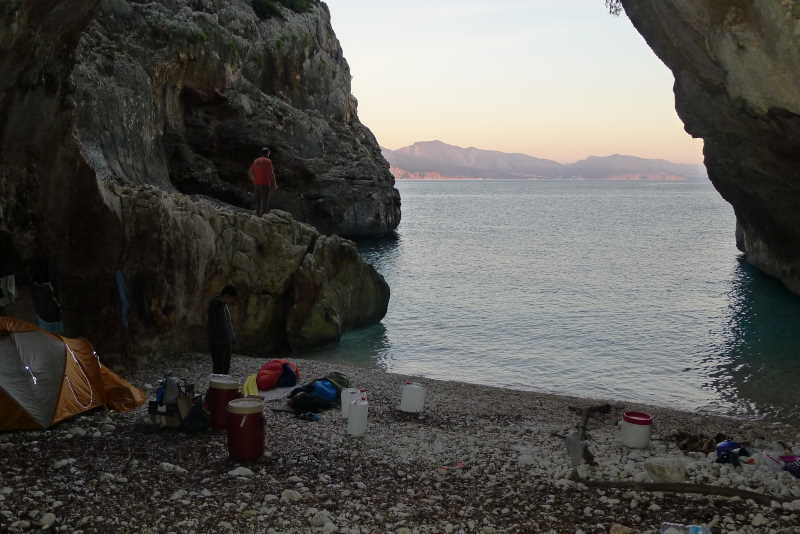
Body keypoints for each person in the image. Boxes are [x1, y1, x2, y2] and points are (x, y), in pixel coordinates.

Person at [207, 285, 238, 374]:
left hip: (226, 342)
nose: (232, 301)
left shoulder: (224, 306)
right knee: (219, 368)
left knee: (225, 368)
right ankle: (218, 387)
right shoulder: (215, 305)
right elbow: (215, 325)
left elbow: (228, 322)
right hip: (218, 342)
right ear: (227, 296)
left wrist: (232, 336)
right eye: (232, 298)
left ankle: (223, 387)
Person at [248, 147, 278, 216]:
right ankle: (263, 216)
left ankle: (257, 214)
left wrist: (254, 180)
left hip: (257, 184)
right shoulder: (268, 161)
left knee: (258, 200)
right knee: (265, 200)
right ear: (267, 153)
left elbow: (250, 172)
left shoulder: (256, 161)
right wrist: (274, 184)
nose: (269, 154)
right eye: (269, 153)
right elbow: (271, 173)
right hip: (265, 183)